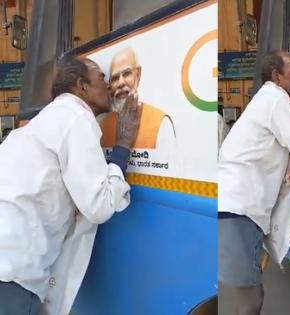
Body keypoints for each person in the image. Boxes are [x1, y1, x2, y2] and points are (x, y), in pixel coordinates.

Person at [0, 56, 141, 315]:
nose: (110, 86)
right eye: (102, 78)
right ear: (81, 86)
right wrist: (123, 144)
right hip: (12, 273)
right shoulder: (76, 118)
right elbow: (99, 205)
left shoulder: (41, 123)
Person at [218, 50, 290, 315]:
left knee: (248, 295)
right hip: (239, 209)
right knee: (252, 299)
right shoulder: (277, 101)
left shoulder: (264, 100)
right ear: (277, 76)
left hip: (234, 206)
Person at [100, 47, 175, 149]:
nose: (121, 83)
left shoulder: (160, 122)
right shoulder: (104, 126)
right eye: (114, 78)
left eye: (126, 73)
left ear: (138, 75)